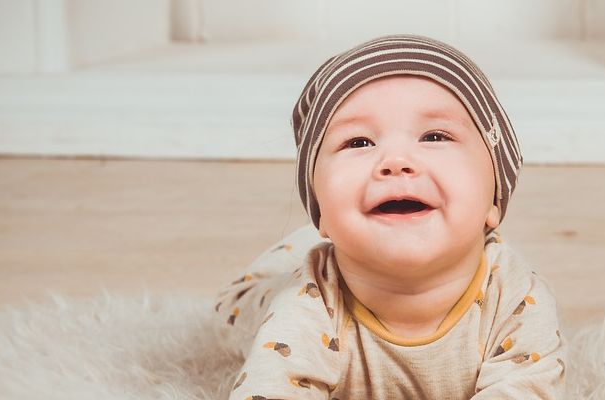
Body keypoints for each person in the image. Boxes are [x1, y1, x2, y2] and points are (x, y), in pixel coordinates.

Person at [215, 34, 566, 399]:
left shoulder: (516, 298)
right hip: (262, 296)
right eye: (359, 142)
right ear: (321, 212)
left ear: (494, 200)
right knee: (255, 296)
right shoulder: (309, 300)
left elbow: (528, 388)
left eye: (434, 136)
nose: (396, 161)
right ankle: (302, 244)